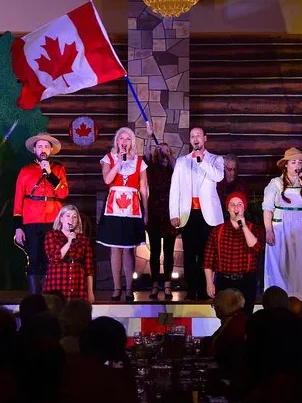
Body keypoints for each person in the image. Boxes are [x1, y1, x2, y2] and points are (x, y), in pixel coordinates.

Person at [169, 127, 224, 301]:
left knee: (206, 253)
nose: (195, 138)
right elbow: (175, 188)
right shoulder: (182, 162)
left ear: (205, 138)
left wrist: (202, 161)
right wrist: (174, 213)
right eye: (192, 136)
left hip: (208, 214)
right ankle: (191, 290)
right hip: (189, 213)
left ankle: (205, 289)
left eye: (198, 135)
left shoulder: (215, 159)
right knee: (190, 253)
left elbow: (218, 177)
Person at [96, 127, 148, 302]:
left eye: (128, 139)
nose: (124, 142)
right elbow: (107, 180)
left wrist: (146, 210)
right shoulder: (108, 159)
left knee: (129, 248)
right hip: (114, 206)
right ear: (116, 141)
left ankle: (129, 288)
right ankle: (117, 287)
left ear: (132, 142)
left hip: (132, 208)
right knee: (115, 248)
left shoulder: (140, 162)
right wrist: (118, 162)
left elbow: (143, 188)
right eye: (121, 138)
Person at [13, 133, 69, 294]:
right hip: (31, 220)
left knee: (52, 259)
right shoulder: (25, 171)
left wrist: (49, 174)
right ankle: (35, 298)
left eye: (46, 146)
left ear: (51, 150)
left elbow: (63, 193)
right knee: (35, 259)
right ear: (34, 150)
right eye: (40, 146)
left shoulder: (58, 169)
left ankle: (51, 297)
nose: (43, 149)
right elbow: (18, 201)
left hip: (54, 220)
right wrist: (18, 227)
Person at [263, 147, 302, 302]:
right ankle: (278, 298)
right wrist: (268, 230)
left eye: (299, 163)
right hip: (281, 227)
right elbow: (267, 208)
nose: (297, 166)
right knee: (281, 261)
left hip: (301, 226)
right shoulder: (275, 184)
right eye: (293, 162)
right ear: (286, 164)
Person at [204, 191, 264, 314]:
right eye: (232, 204)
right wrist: (209, 283)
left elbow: (257, 248)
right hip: (224, 281)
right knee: (225, 318)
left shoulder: (254, 229)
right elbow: (208, 260)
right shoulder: (217, 231)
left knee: (245, 318)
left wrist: (244, 226)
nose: (236, 208)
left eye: (239, 204)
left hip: (246, 281)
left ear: (244, 207)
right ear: (228, 208)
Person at [143, 124, 178, 300]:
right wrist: (149, 137)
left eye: (166, 149)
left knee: (169, 251)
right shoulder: (152, 167)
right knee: (155, 251)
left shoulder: (174, 168)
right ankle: (155, 284)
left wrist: (168, 154)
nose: (163, 151)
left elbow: (175, 164)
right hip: (155, 211)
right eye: (161, 149)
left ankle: (168, 284)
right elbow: (146, 155)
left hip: (170, 211)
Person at [43, 204, 95, 303]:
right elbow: (53, 258)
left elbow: (88, 268)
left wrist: (90, 292)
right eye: (68, 216)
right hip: (57, 281)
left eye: (74, 217)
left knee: (76, 310)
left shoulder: (83, 239)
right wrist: (69, 242)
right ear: (61, 219)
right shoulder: (52, 235)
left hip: (77, 282)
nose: (71, 219)